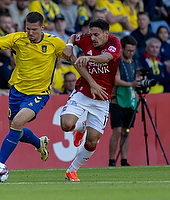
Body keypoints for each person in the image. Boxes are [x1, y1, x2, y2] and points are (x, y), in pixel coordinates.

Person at [0, 12, 66, 166]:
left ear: (42, 27)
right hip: (17, 92)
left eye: (34, 29)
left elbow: (71, 58)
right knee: (15, 129)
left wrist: (75, 48)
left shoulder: (55, 43)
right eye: (28, 29)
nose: (30, 32)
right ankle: (39, 143)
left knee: (16, 123)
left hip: (38, 93)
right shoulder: (17, 38)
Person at [60, 19, 121, 181]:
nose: (93, 38)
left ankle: (72, 170)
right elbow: (73, 37)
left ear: (106, 34)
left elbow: (108, 57)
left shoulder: (114, 42)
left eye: (97, 35)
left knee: (92, 141)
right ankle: (80, 126)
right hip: (83, 91)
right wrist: (69, 45)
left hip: (102, 97)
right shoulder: (85, 39)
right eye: (91, 34)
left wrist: (88, 58)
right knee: (66, 125)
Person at [108, 35, 140, 167]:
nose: (131, 53)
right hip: (117, 100)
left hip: (130, 100)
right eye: (128, 51)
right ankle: (111, 160)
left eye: (133, 51)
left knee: (126, 131)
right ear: (122, 49)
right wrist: (132, 84)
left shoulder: (133, 62)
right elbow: (116, 80)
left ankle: (124, 160)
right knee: (117, 131)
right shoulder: (118, 61)